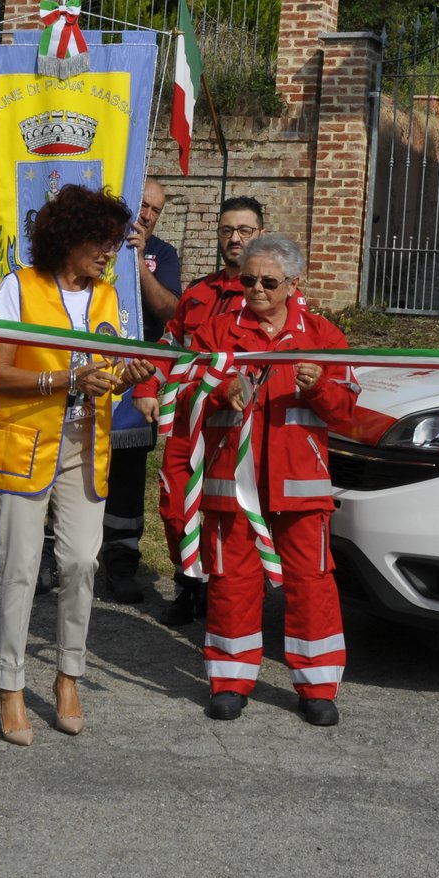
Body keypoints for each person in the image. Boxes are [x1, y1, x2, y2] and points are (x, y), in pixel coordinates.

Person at [0, 185, 155, 746]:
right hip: (27, 442)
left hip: (86, 441)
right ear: (67, 239)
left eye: (113, 242)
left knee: (82, 562)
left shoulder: (108, 297)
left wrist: (130, 377)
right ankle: (10, 688)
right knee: (20, 567)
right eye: (100, 241)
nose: (110, 251)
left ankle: (67, 678)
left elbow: (121, 366)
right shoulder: (20, 288)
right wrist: (64, 379)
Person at [179, 233, 357, 726]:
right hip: (231, 487)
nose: (255, 289)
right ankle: (230, 681)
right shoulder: (216, 332)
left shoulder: (323, 336)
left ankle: (318, 687)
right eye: (247, 280)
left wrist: (319, 387)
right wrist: (220, 391)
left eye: (268, 282)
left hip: (300, 489)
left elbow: (345, 411)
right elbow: (184, 396)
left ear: (294, 284)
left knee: (312, 585)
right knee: (232, 583)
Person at [131, 195, 267, 625]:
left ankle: (217, 586)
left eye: (245, 230)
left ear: (260, 234)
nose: (235, 238)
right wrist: (148, 387)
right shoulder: (197, 295)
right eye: (227, 230)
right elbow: (169, 348)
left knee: (226, 511)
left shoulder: (269, 296)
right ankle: (189, 580)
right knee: (174, 508)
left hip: (236, 427)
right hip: (190, 420)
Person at [100, 178, 181, 602]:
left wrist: (137, 260)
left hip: (137, 375)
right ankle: (52, 554)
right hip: (91, 370)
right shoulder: (97, 244)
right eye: (143, 205)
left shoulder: (162, 254)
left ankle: (120, 561)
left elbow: (170, 310)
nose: (147, 215)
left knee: (128, 475)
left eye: (156, 211)